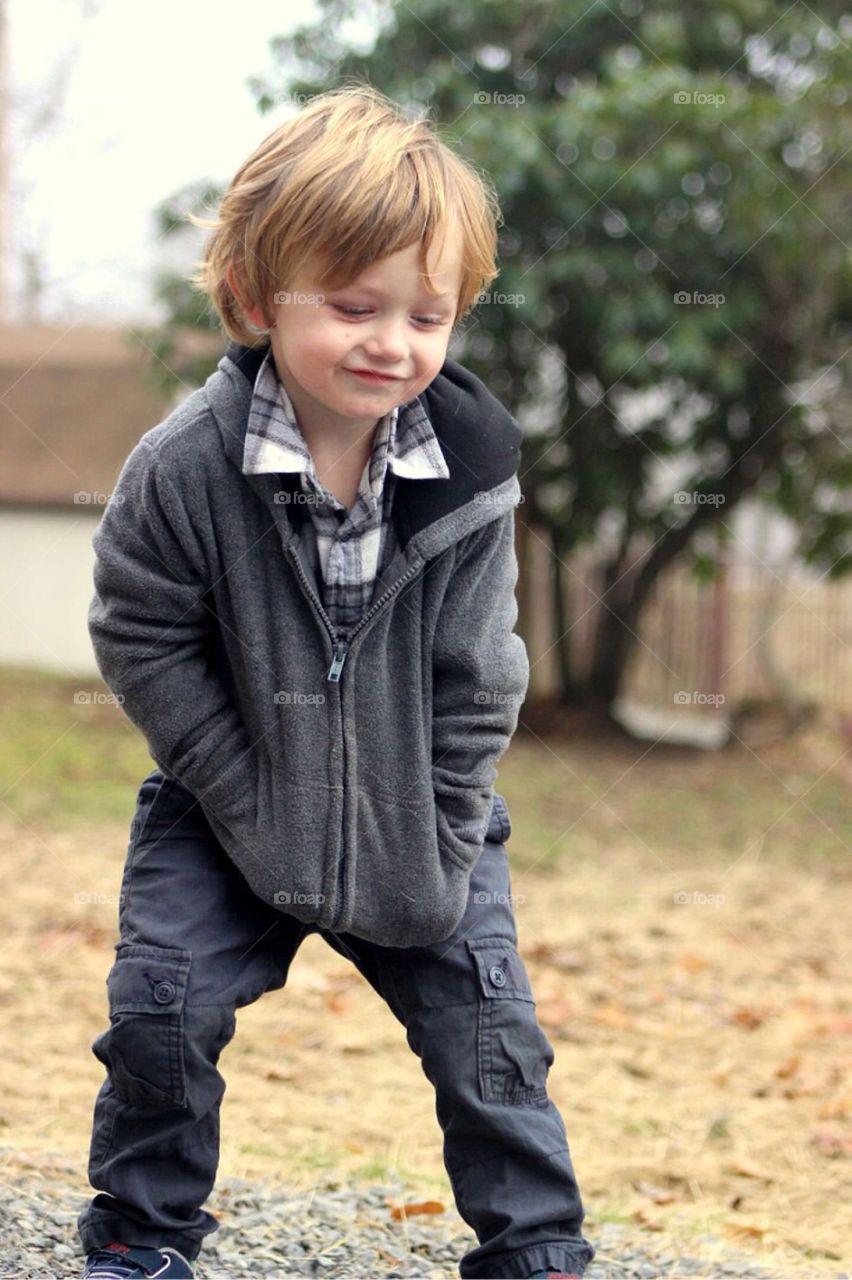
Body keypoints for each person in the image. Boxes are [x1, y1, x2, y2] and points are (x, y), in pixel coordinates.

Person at [76, 83, 595, 1280]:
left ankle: (538, 1248)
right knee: (161, 1009)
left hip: (422, 812)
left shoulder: (470, 474)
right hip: (230, 803)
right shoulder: (184, 467)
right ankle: (141, 1235)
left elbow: (482, 671)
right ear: (258, 296)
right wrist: (238, 786)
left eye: (428, 314)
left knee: (492, 1034)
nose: (392, 342)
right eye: (355, 305)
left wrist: (449, 825)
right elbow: (141, 631)